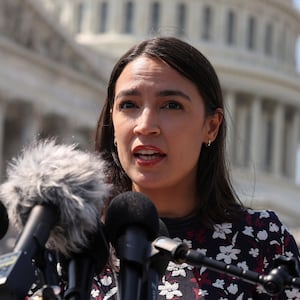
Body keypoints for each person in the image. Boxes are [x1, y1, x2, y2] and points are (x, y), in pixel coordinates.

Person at [91, 36, 300, 299]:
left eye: (171, 105)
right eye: (129, 105)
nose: (145, 125)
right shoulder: (74, 243)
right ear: (112, 120)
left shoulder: (261, 240)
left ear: (211, 126)